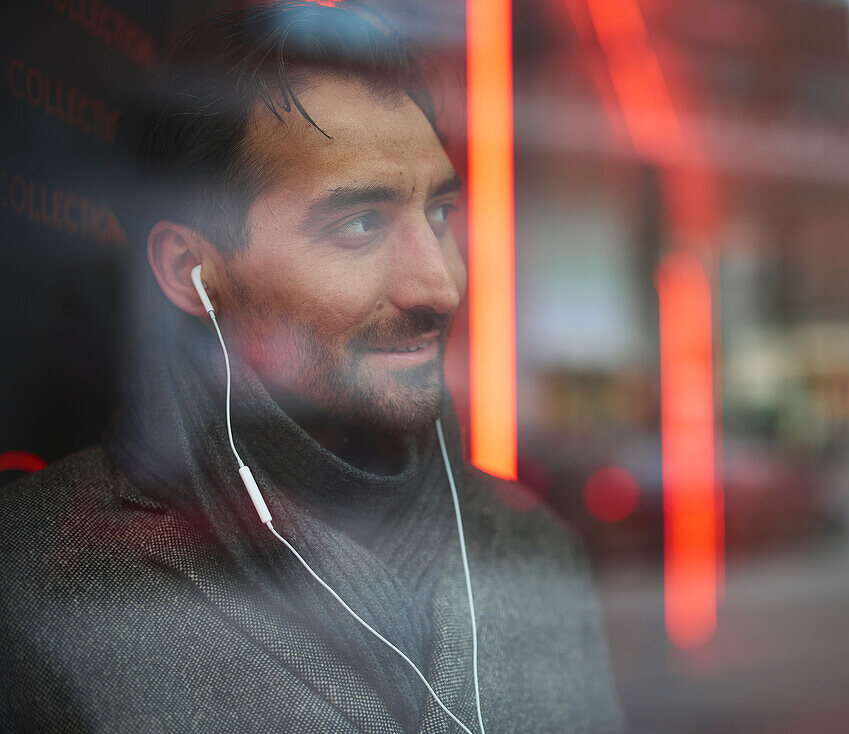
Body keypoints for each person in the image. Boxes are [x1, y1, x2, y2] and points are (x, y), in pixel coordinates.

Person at [0, 3, 623, 732]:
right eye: (360, 223)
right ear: (190, 270)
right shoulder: (33, 581)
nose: (441, 287)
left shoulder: (538, 555)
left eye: (441, 214)